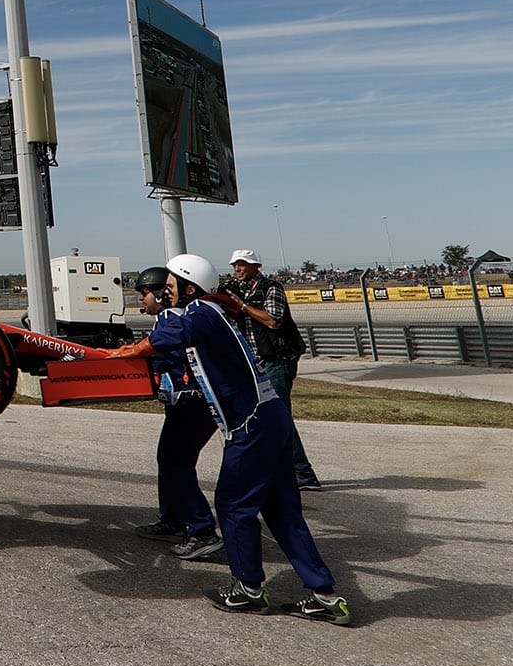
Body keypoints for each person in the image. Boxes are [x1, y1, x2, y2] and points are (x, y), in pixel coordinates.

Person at [103, 253, 351, 624]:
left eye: (169, 288)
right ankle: (325, 596)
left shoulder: (200, 313)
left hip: (250, 423)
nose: (164, 294)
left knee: (234, 504)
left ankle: (248, 590)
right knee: (282, 510)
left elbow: (162, 338)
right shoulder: (212, 312)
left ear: (190, 288)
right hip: (270, 417)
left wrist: (116, 353)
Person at [126, 266, 223, 562]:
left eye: (144, 293)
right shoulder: (168, 318)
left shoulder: (171, 317)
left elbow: (162, 351)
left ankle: (202, 530)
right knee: (169, 460)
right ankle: (174, 519)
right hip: (184, 404)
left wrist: (124, 353)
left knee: (176, 462)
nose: (141, 299)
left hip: (192, 404)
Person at [222, 249, 321, 491]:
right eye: (235, 265)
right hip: (256, 361)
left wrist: (243, 306)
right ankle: (281, 471)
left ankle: (303, 473)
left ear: (256, 266)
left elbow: (272, 320)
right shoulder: (236, 289)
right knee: (263, 417)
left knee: (279, 417)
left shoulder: (271, 287)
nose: (237, 269)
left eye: (242, 265)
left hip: (278, 360)